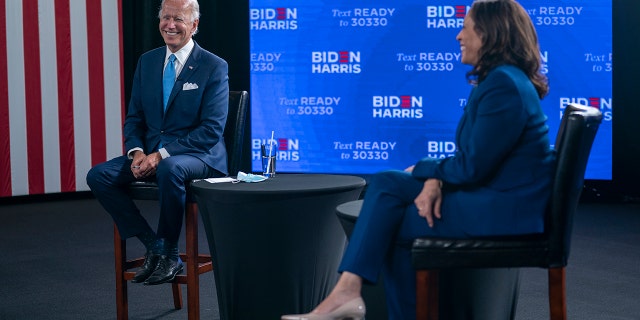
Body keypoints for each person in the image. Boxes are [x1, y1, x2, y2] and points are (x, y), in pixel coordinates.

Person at [281, 0, 556, 319]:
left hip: (504, 213)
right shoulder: (504, 80)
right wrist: (434, 178)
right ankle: (348, 293)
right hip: (497, 200)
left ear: (489, 33)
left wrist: (428, 172)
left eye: (465, 27)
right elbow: (478, 158)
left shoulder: (504, 85)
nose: (458, 36)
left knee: (391, 211)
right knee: (388, 183)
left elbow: (471, 168)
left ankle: (347, 293)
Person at [86, 0, 229, 286]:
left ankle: (168, 249)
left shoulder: (213, 66)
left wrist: (161, 155)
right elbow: (135, 117)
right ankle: (155, 246)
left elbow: (211, 131)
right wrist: (137, 151)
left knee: (170, 169)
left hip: (199, 156)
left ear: (195, 25)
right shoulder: (147, 61)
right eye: (165, 17)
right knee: (98, 175)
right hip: (152, 154)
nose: (170, 25)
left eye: (178, 18)